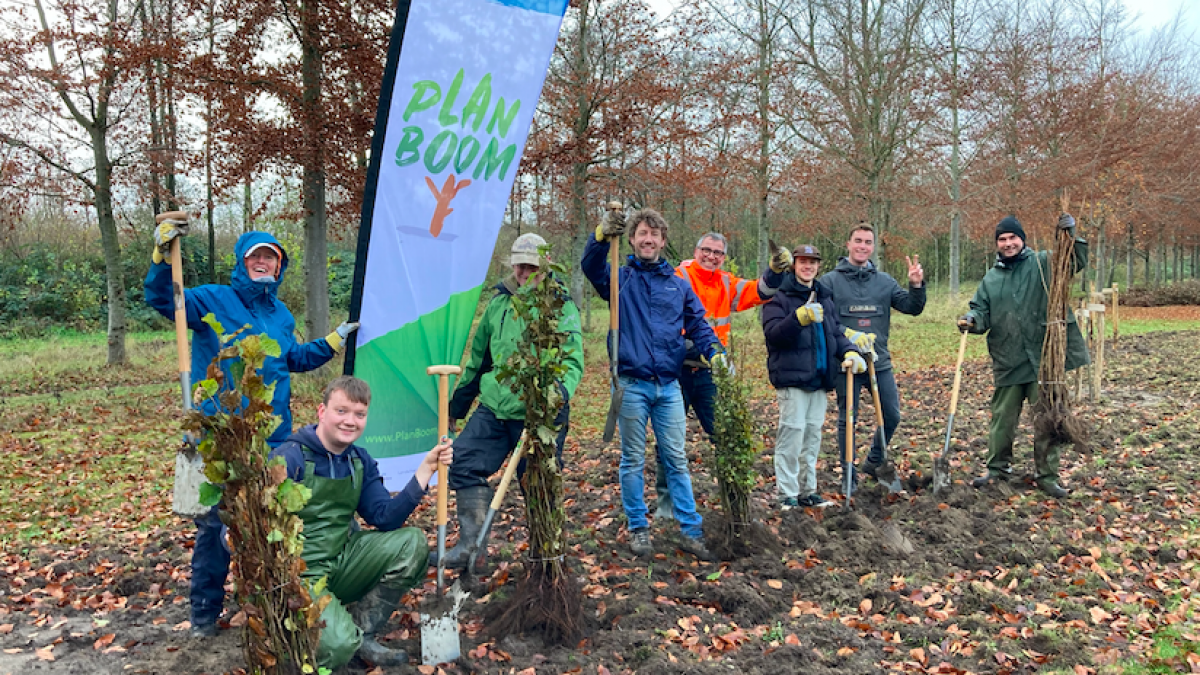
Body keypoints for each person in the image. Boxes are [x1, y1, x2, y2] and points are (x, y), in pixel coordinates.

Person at [144, 213, 359, 637]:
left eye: (271, 258)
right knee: (216, 524)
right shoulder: (212, 299)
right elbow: (164, 300)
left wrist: (331, 343)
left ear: (279, 267)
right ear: (242, 262)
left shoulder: (280, 314)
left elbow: (291, 359)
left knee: (275, 522)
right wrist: (160, 255)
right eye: (256, 257)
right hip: (224, 436)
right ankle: (204, 614)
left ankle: (268, 602)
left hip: (275, 435)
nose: (264, 263)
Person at [270, 376, 453, 669]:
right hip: (296, 576)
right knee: (337, 647)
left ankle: (362, 633)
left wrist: (426, 469)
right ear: (322, 411)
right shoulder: (289, 458)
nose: (350, 421)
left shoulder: (359, 460)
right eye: (341, 411)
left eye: (359, 414)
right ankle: (324, 640)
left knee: (412, 543)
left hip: (341, 562)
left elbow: (384, 517)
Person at [582, 207, 722, 561]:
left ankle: (690, 530)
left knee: (676, 458)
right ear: (631, 238)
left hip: (669, 386)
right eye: (642, 233)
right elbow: (590, 267)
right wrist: (600, 236)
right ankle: (638, 528)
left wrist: (716, 353)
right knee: (632, 459)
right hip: (631, 384)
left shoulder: (677, 284)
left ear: (663, 241)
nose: (648, 240)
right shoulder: (620, 279)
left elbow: (699, 324)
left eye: (655, 235)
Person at [437, 233, 584, 569]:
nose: (523, 273)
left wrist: (555, 397)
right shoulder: (498, 304)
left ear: (545, 267)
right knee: (462, 463)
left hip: (539, 413)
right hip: (494, 409)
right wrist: (455, 409)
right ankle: (472, 548)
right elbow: (479, 360)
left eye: (531, 267)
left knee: (538, 483)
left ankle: (546, 556)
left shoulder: (560, 304)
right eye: (519, 266)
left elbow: (573, 360)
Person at [652, 232, 791, 519]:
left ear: (724, 257)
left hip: (711, 373)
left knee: (724, 433)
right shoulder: (678, 277)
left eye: (718, 252)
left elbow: (759, 292)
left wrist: (775, 271)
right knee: (669, 438)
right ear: (696, 250)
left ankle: (734, 498)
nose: (711, 256)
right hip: (675, 369)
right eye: (707, 250)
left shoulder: (726, 282)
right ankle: (666, 502)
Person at [957, 213, 1089, 498]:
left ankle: (1047, 476)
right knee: (1002, 418)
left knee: (1047, 418)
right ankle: (997, 470)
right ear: (997, 244)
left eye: (1012, 238)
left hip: (1044, 359)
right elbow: (981, 310)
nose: (1007, 243)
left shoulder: (1043, 264)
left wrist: (1072, 236)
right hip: (1009, 358)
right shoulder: (991, 279)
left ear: (1022, 239)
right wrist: (971, 319)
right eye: (1002, 239)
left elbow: (1074, 262)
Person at [819, 223, 925, 487]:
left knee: (891, 415)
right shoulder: (830, 282)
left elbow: (912, 307)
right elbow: (823, 320)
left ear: (873, 247)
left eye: (868, 242)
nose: (862, 246)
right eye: (858, 241)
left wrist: (916, 285)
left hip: (879, 361)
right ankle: (848, 474)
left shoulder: (885, 282)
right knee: (848, 418)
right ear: (848, 244)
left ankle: (875, 460)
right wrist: (847, 337)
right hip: (847, 363)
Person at [762, 245, 864, 509]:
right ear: (794, 265)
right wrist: (799, 318)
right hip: (792, 379)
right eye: (803, 262)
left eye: (813, 262)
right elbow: (773, 335)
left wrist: (850, 352)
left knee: (811, 437)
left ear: (819, 266)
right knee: (792, 436)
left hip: (819, 380)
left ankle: (808, 491)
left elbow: (835, 333)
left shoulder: (824, 296)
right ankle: (787, 494)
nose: (808, 267)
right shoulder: (780, 297)